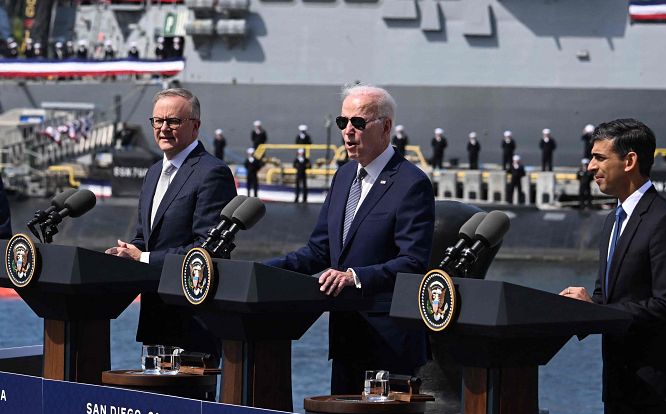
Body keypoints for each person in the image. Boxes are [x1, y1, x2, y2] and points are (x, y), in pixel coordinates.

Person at [263, 84, 434, 394]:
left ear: (386, 127)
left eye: (358, 122)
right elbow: (320, 250)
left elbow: (413, 261)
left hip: (390, 344)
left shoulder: (411, 183)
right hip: (346, 337)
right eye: (343, 122)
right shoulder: (343, 176)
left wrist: (354, 276)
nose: (348, 131)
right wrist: (264, 270)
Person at [559, 118, 666, 414]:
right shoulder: (612, 221)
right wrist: (574, 310)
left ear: (629, 161)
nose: (590, 166)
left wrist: (597, 311)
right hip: (617, 382)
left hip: (653, 386)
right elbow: (606, 298)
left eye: (600, 158)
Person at [105, 88, 237, 360]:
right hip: (155, 321)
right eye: (158, 121)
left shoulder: (212, 173)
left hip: (193, 322)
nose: (164, 128)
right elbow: (145, 237)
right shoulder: (154, 172)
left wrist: (143, 258)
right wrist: (126, 254)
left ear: (195, 126)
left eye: (173, 121)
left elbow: (207, 250)